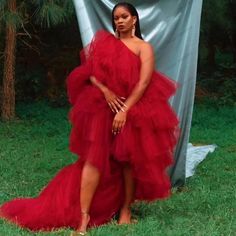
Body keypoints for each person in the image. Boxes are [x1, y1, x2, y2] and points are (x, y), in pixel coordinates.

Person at [0, 2, 179, 235]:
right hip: (103, 108)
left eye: (124, 16)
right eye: (116, 18)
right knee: (93, 161)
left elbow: (144, 82)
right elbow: (91, 73)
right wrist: (106, 91)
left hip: (132, 109)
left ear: (134, 19)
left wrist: (125, 110)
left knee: (127, 161)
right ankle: (83, 218)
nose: (120, 21)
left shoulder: (143, 47)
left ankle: (125, 212)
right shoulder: (107, 43)